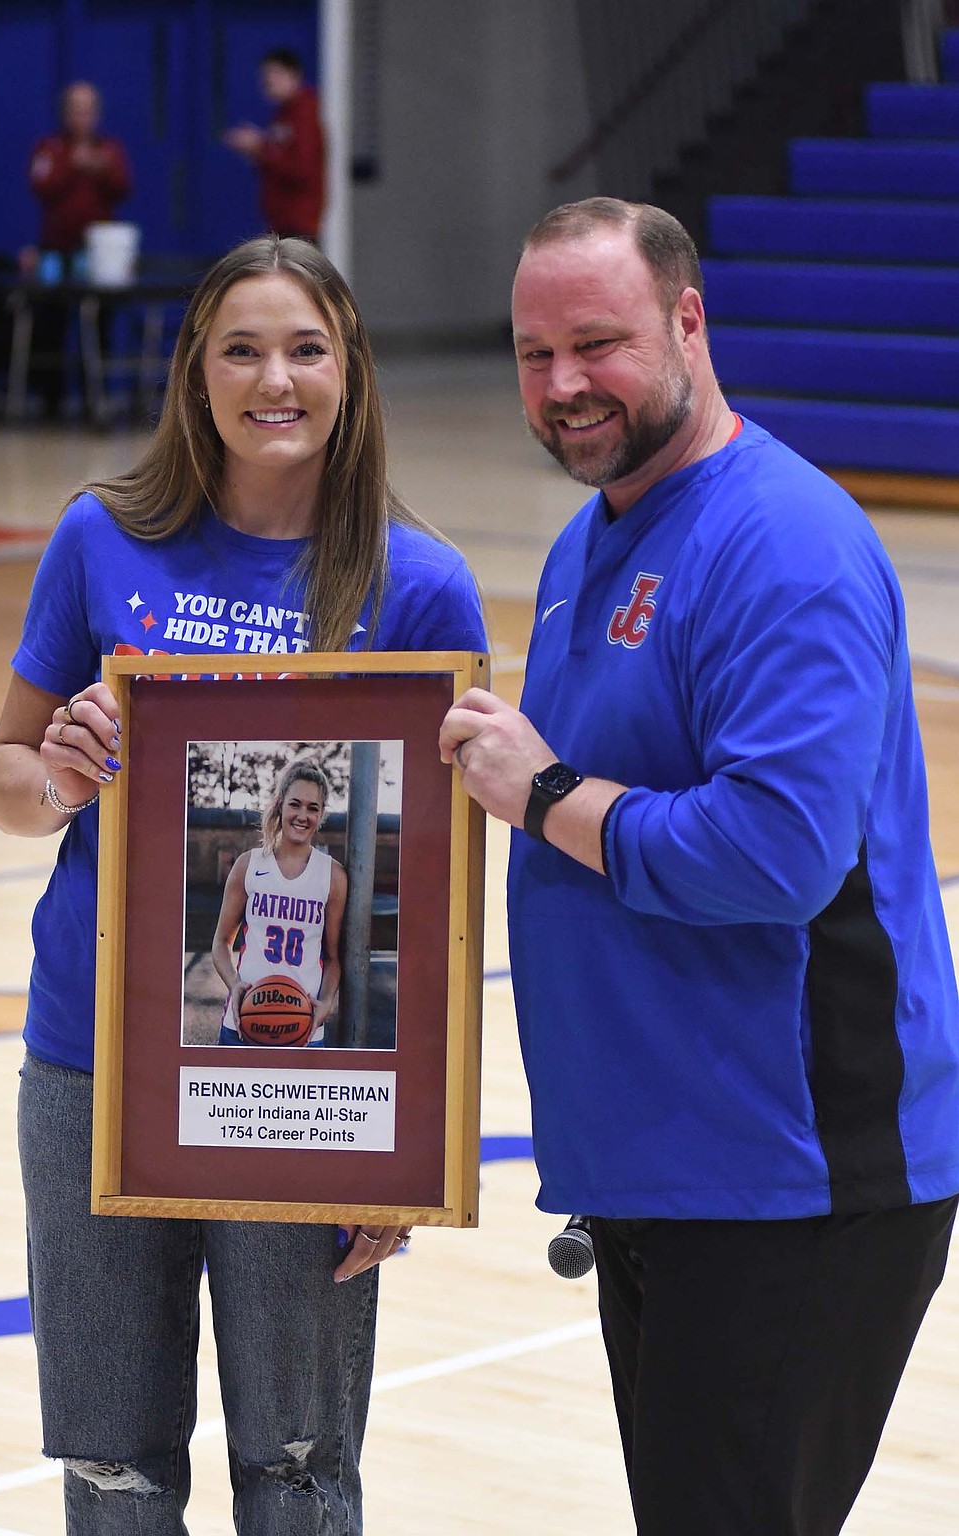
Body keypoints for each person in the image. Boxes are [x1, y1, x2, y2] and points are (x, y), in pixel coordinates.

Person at [440, 196, 959, 1536]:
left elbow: (775, 856)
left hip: (792, 1176)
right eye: (534, 354)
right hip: (667, 1165)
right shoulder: (587, 541)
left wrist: (547, 791)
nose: (563, 386)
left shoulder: (784, 544)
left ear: (687, 320)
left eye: (597, 344)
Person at [0, 233, 486, 1533]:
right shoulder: (102, 539)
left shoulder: (416, 585)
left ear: (351, 370)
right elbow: (3, 781)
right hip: (94, 1060)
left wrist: (404, 1160)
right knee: (113, 1461)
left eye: (306, 348)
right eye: (243, 349)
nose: (276, 378)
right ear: (196, 372)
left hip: (302, 1089)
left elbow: (427, 907)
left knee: (299, 1465)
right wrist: (60, 769)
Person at [213, 758, 347, 1046]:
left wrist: (325, 1003)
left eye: (313, 808)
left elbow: (334, 958)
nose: (303, 815)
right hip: (244, 1020)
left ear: (321, 815)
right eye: (295, 804)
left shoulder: (332, 875)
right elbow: (221, 943)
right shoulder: (248, 865)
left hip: (304, 1026)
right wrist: (235, 985)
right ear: (280, 804)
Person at [26, 81, 132, 416]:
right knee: (50, 323)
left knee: (97, 324)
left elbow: (123, 187)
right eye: (75, 110)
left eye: (88, 111)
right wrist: (73, 165)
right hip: (56, 250)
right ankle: (49, 400)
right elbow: (42, 185)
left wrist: (99, 169)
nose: (81, 118)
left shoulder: (110, 150)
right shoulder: (51, 148)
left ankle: (93, 398)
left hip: (97, 252)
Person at [223, 49, 325, 243]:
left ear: (293, 75)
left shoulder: (304, 112)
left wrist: (260, 148)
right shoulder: (283, 114)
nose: (269, 83)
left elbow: (301, 168)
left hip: (298, 218)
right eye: (266, 77)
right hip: (281, 218)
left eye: (275, 74)